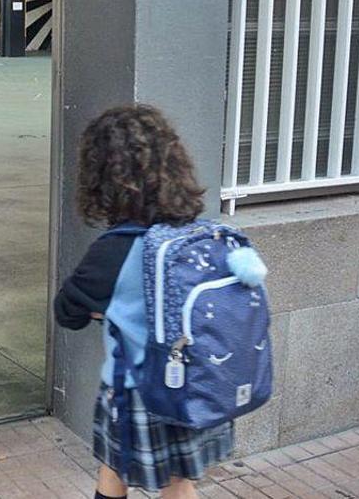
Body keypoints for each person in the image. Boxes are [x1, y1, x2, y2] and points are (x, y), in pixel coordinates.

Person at [54, 105, 230, 499]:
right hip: (199, 385)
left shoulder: (115, 250)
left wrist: (108, 308)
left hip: (139, 391)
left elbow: (67, 311)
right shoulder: (199, 235)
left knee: (117, 469)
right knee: (179, 480)